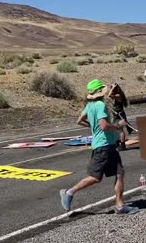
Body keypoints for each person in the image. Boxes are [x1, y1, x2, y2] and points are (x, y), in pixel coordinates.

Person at [59, 79, 138, 214]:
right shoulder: (100, 105)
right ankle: (69, 192)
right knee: (95, 177)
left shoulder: (89, 105)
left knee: (119, 173)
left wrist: (92, 127)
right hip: (104, 146)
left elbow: (79, 121)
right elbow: (104, 126)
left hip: (106, 145)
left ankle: (120, 205)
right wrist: (118, 125)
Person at [108, 83, 134, 151]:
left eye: (112, 88)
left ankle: (122, 145)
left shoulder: (118, 95)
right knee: (115, 129)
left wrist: (112, 87)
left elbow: (109, 95)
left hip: (119, 115)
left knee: (120, 130)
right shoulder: (117, 95)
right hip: (116, 115)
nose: (111, 89)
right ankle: (117, 143)